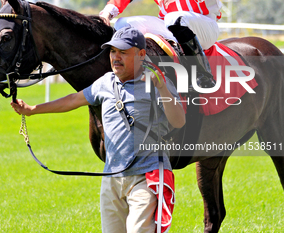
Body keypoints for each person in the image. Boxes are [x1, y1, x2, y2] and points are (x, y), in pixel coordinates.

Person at [11, 26, 185, 233]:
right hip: (112, 178)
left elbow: (178, 121)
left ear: (141, 54)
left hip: (147, 177)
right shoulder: (105, 83)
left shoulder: (156, 82)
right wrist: (32, 110)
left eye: (123, 52)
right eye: (112, 51)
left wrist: (163, 88)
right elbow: (73, 100)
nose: (115, 57)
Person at [99, 0, 228, 88]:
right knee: (122, 25)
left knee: (174, 18)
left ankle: (203, 75)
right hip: (168, 25)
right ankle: (129, 75)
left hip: (204, 25)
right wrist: (106, 14)